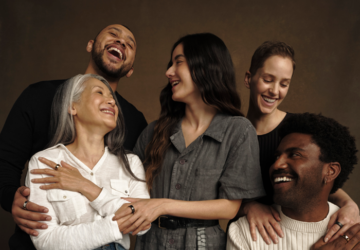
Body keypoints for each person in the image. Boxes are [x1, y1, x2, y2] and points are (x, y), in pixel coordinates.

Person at [110, 33, 266, 249]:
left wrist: (163, 205)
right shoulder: (153, 131)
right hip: (150, 242)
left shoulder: (238, 131)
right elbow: (123, 186)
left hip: (203, 243)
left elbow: (230, 207)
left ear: (205, 67)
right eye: (170, 63)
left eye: (178, 62)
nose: (168, 72)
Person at [0, 24, 148, 249]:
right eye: (113, 35)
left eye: (129, 44)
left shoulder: (135, 122)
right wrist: (13, 198)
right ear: (90, 45)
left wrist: (85, 186)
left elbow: (141, 217)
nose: (121, 42)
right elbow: (4, 163)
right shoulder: (37, 97)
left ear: (130, 69)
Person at [235, 41, 360, 245]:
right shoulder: (230, 132)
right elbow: (212, 191)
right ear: (249, 79)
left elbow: (319, 177)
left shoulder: (295, 133)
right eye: (268, 80)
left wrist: (350, 204)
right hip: (249, 235)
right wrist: (248, 206)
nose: (275, 91)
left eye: (284, 84)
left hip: (292, 232)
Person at [26, 74, 150, 250]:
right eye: (99, 92)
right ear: (72, 107)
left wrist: (85, 186)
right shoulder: (44, 162)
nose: (112, 102)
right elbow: (45, 241)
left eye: (113, 98)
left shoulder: (131, 163)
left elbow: (143, 224)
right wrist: (115, 227)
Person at [227, 113, 358, 250]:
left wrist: (349, 203)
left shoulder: (354, 231)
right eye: (277, 156)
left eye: (295, 155)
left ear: (331, 171)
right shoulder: (245, 232)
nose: (277, 164)